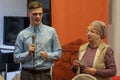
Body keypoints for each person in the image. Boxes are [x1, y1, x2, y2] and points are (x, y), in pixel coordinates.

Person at [14, 1, 62, 80]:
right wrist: (27, 53)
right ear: (28, 14)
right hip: (26, 74)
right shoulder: (22, 34)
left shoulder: (51, 32)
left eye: (40, 14)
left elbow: (58, 53)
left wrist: (48, 55)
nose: (38, 17)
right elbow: (16, 58)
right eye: (35, 14)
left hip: (44, 74)